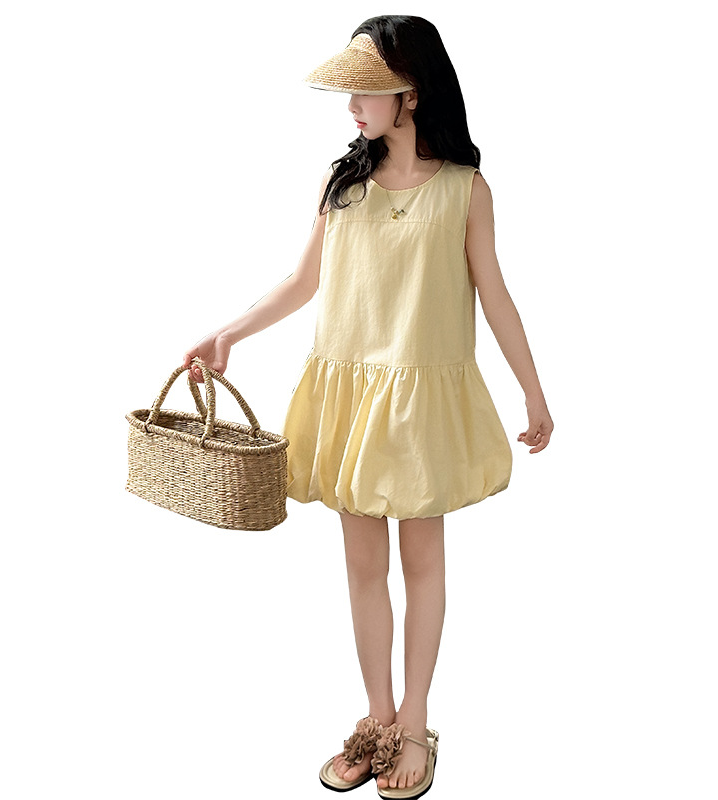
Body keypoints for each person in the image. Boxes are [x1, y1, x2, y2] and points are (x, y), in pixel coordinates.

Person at [182, 15, 553, 799]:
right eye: (349, 93)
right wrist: (228, 333)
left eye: (366, 92)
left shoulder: (464, 190)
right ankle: (377, 718)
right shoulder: (341, 184)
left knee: (423, 563)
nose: (351, 107)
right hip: (352, 395)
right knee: (361, 566)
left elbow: (494, 294)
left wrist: (532, 388)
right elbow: (303, 281)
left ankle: (415, 721)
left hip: (420, 400)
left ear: (410, 93)